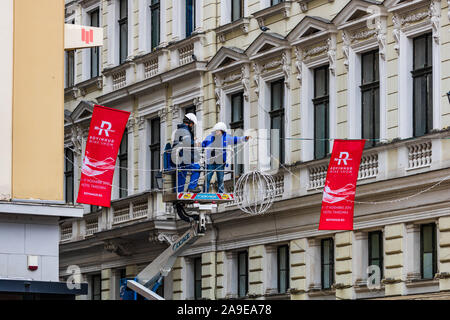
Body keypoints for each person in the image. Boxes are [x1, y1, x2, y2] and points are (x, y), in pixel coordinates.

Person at [202, 122, 249, 193]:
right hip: (211, 161)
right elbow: (203, 144)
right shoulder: (209, 137)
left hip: (220, 162)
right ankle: (205, 192)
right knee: (208, 178)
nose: (216, 132)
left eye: (218, 130)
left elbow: (235, 139)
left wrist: (244, 138)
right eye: (216, 130)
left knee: (220, 178)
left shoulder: (226, 137)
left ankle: (220, 193)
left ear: (222, 131)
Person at [172, 113, 202, 193]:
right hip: (184, 156)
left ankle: (178, 191)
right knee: (196, 168)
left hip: (179, 156)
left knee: (181, 174)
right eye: (192, 123)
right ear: (188, 122)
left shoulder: (180, 129)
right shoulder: (185, 130)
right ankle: (192, 187)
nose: (192, 125)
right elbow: (187, 142)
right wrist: (195, 142)